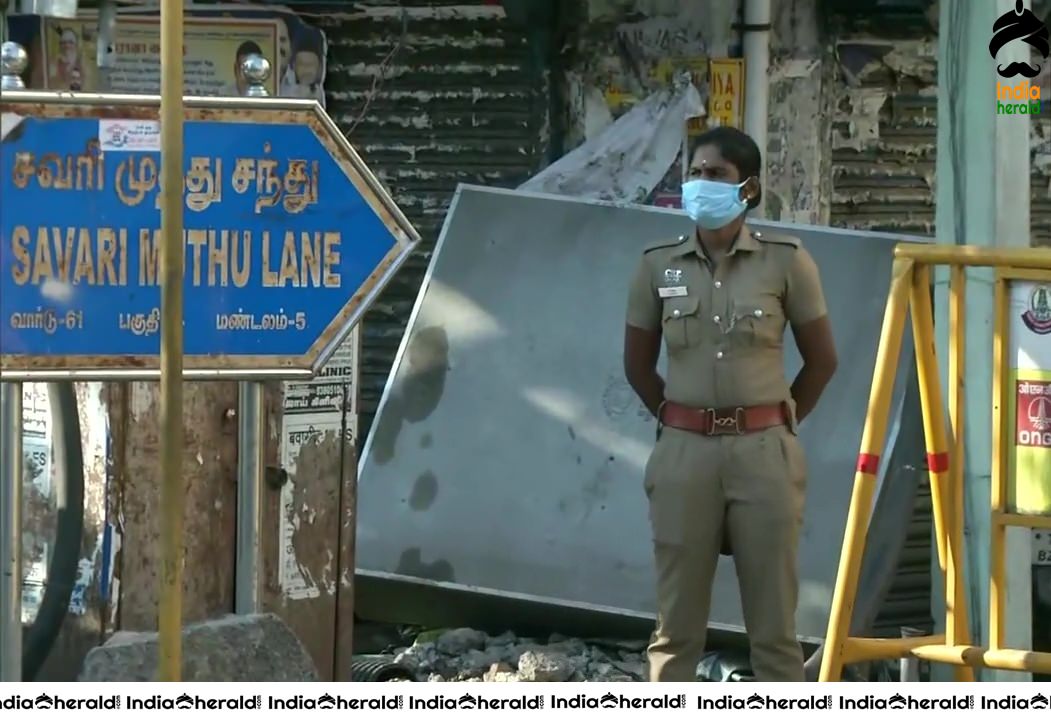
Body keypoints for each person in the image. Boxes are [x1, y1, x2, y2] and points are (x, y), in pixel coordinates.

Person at [623, 126, 838, 682]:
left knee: (774, 631)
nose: (700, 184)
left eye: (714, 174)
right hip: (684, 454)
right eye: (694, 173)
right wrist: (678, 424)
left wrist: (780, 423)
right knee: (675, 630)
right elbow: (638, 367)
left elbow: (822, 361)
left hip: (764, 453)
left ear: (747, 188)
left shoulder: (787, 263)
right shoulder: (657, 266)